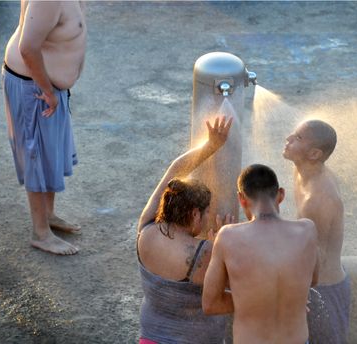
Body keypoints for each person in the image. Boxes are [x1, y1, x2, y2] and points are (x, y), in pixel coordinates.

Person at [137, 116, 234, 344]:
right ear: (194, 214)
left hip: (150, 337)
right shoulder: (203, 253)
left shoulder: (146, 228)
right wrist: (224, 243)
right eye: (207, 211)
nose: (208, 217)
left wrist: (210, 146)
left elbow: (175, 171)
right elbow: (236, 287)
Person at [2, 1, 86, 255]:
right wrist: (48, 91)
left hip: (46, 85)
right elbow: (27, 48)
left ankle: (48, 215)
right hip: (35, 88)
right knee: (36, 156)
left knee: (49, 153)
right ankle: (40, 233)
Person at [203, 164, 320, 344]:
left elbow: (210, 304)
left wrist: (254, 298)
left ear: (241, 199)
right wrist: (281, 298)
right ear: (281, 194)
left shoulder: (227, 237)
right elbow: (312, 279)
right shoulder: (308, 230)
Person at [283, 120, 351, 343]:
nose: (288, 139)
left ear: (314, 153)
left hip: (324, 292)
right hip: (314, 287)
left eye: (298, 138)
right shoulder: (302, 170)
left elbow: (316, 258)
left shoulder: (319, 199)